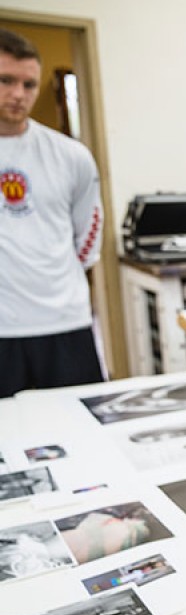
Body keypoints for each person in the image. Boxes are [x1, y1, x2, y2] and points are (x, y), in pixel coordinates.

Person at [0, 28, 104, 398]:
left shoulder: (70, 155)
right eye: (6, 80)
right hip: (3, 330)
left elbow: (88, 235)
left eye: (28, 84)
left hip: (63, 321)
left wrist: (54, 277)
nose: (18, 94)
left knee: (84, 432)